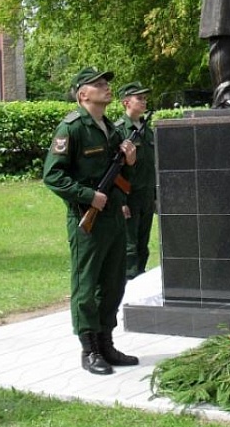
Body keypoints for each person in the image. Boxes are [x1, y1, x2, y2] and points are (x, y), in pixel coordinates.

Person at [43, 67, 138, 376]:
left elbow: (121, 177)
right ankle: (89, 350)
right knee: (86, 285)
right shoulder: (71, 128)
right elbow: (53, 176)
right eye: (98, 85)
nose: (106, 88)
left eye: (106, 83)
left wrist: (131, 161)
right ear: (83, 94)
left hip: (112, 217)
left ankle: (106, 342)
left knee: (113, 282)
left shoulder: (111, 127)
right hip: (87, 219)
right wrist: (87, 196)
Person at [114, 82, 156, 280]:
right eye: (139, 98)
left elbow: (152, 166)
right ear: (126, 102)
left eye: (145, 98)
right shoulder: (120, 130)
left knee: (143, 243)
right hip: (129, 196)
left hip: (146, 195)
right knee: (129, 246)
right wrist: (121, 201)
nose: (144, 101)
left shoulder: (147, 130)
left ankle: (140, 278)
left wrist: (155, 196)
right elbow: (115, 170)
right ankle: (129, 282)